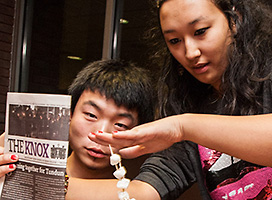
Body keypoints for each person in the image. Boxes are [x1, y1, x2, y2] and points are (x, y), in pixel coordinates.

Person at [85, 0, 272, 199]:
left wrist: (182, 127)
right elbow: (143, 191)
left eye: (200, 31)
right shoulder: (189, 105)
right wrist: (57, 181)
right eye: (175, 41)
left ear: (234, 20)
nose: (190, 52)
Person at [0, 59, 155, 194]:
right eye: (91, 115)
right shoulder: (17, 174)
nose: (100, 134)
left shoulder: (137, 191)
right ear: (69, 115)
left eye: (120, 125)